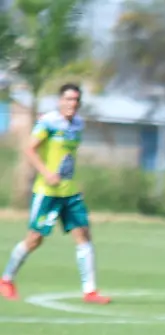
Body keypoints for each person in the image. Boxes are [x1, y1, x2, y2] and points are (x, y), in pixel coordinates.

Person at [1, 84, 109, 304]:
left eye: (76, 100)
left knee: (83, 235)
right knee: (35, 239)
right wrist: (46, 173)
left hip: (70, 192)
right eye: (68, 99)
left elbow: (68, 157)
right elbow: (29, 149)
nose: (72, 104)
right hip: (47, 192)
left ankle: (90, 291)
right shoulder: (48, 122)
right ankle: (6, 279)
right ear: (60, 101)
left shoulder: (78, 124)